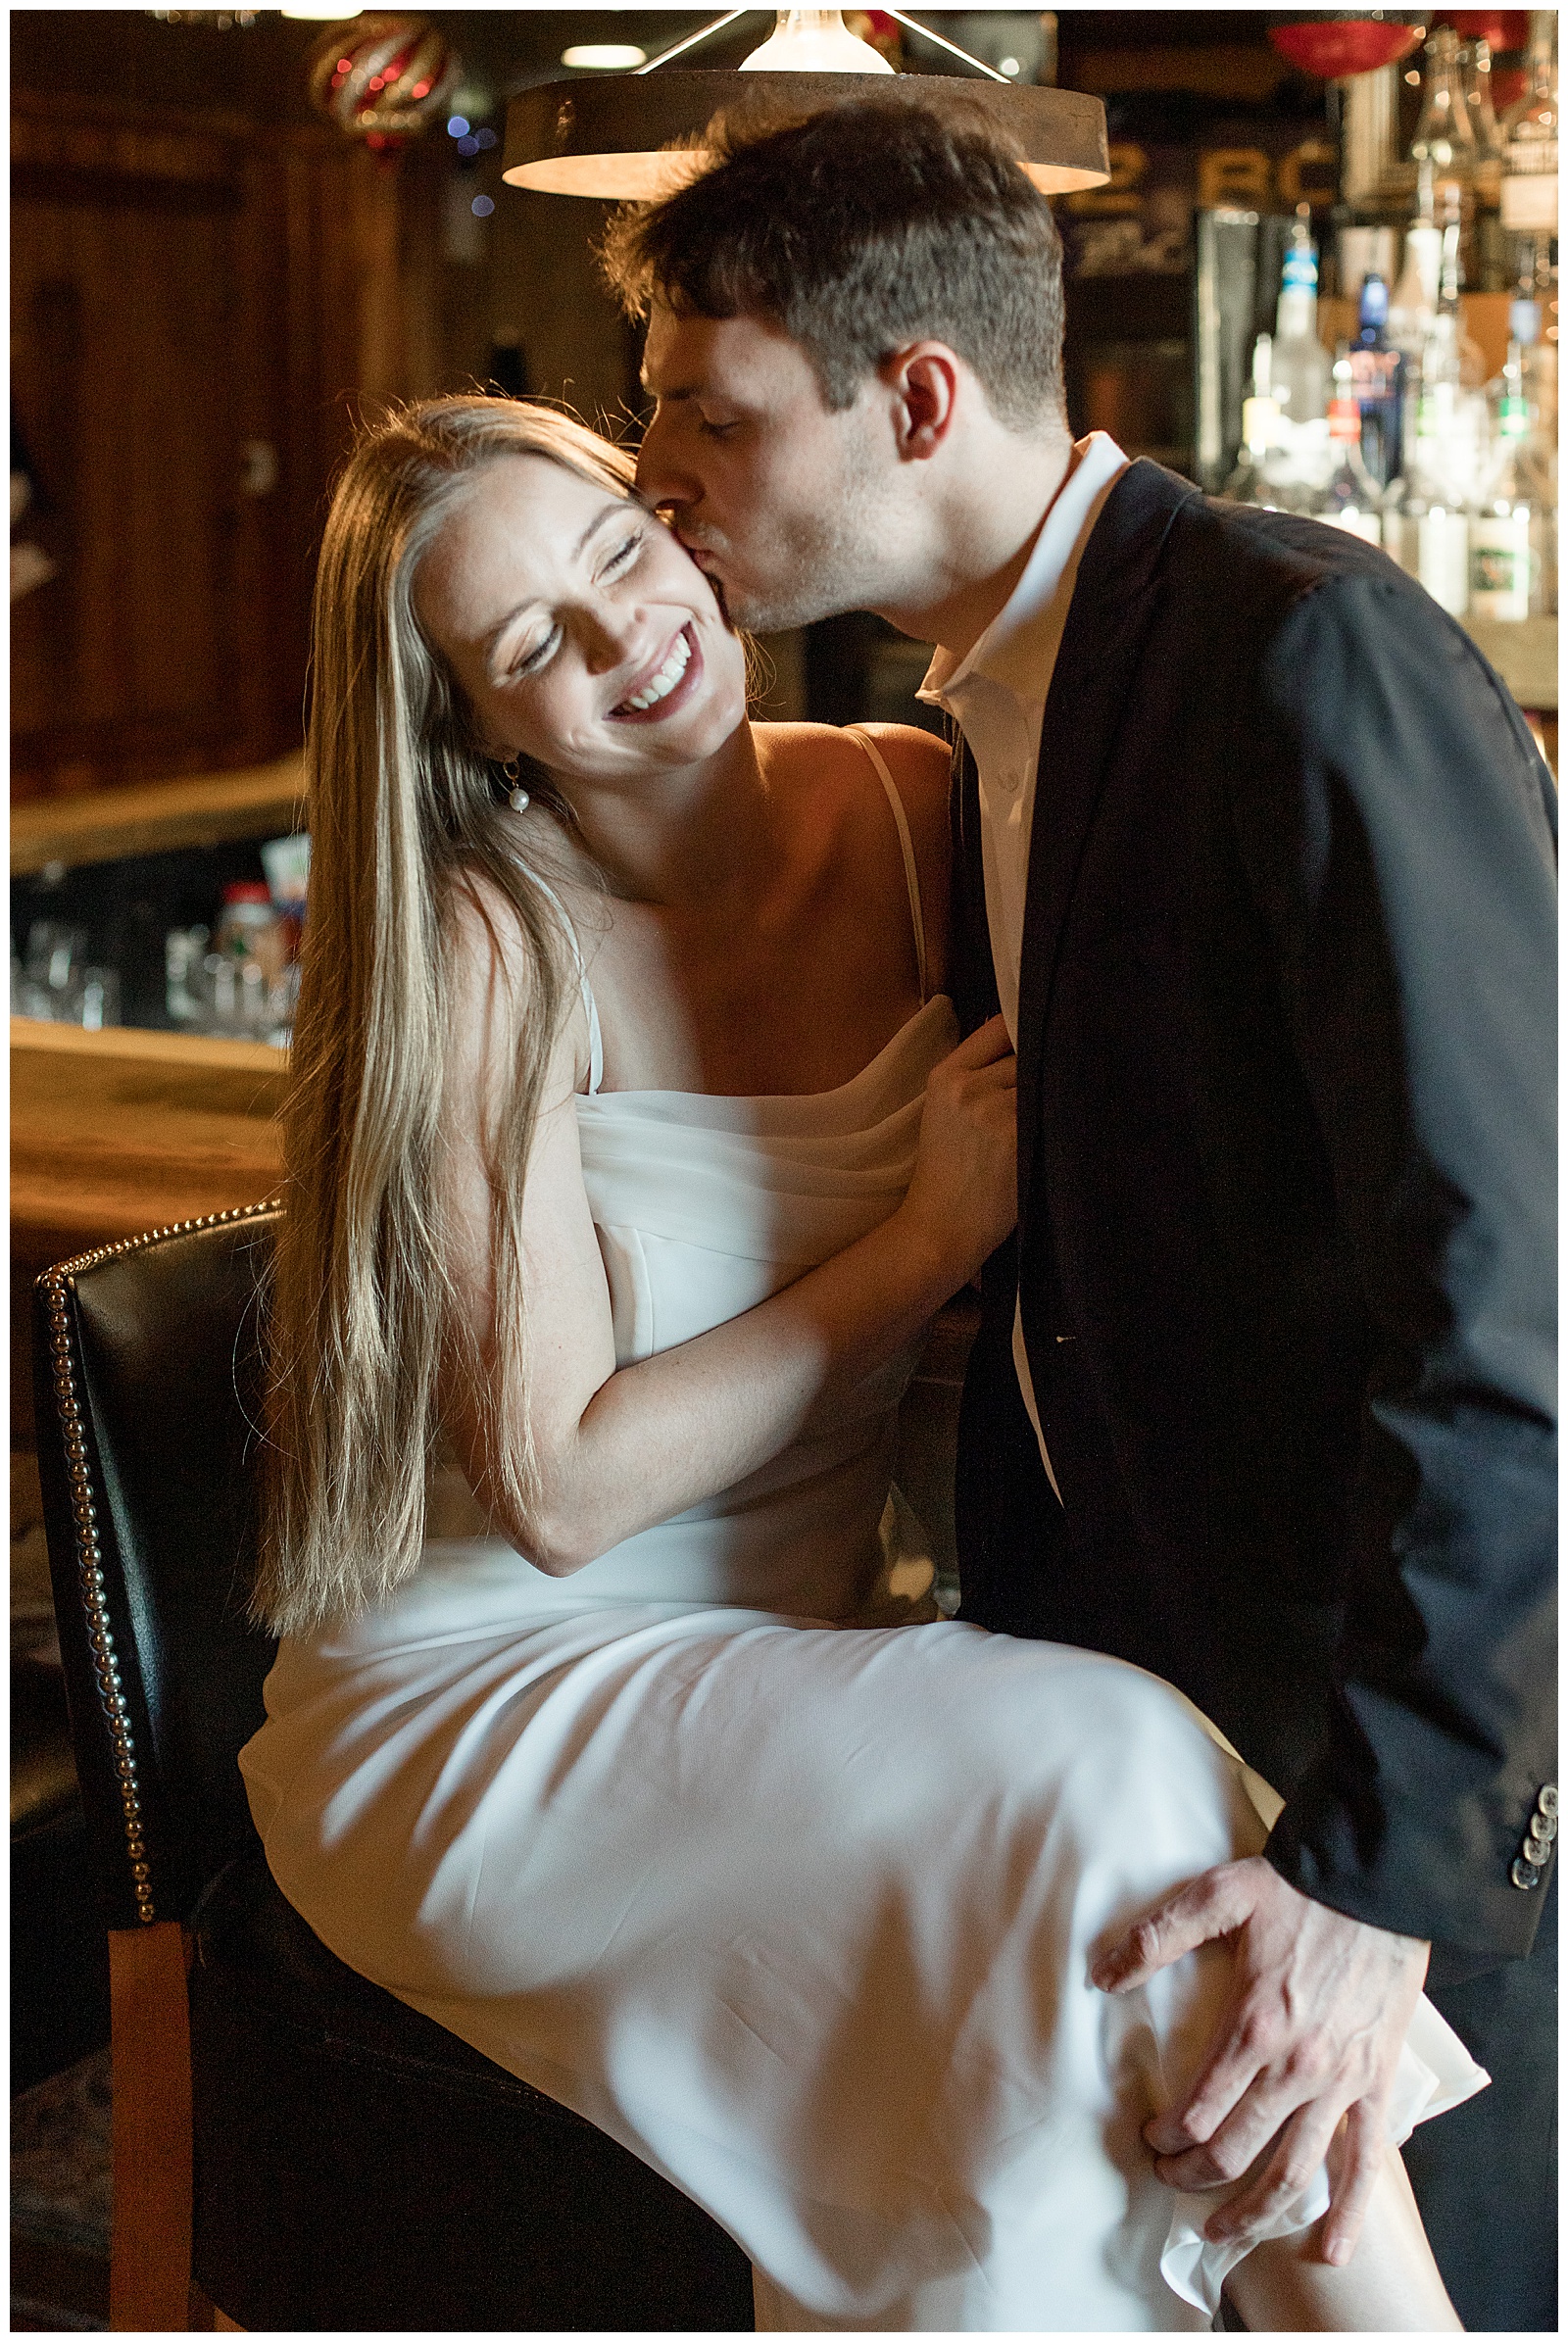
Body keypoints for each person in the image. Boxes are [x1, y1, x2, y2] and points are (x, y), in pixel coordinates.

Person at [240, 393, 1476, 2333]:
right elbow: (558, 1487)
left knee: (1123, 1819)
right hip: (490, 1699)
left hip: (788, 1652)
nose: (626, 634)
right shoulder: (487, 944)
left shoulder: (914, 808)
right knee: (1099, 1770)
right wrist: (920, 1243)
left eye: (618, 551)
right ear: (472, 732)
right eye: (532, 643)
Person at [617, 93, 1558, 2332]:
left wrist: (1378, 1873)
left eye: (709, 413)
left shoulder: (1301, 651)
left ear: (913, 397)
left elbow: (1517, 1288)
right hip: (1130, 1748)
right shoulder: (965, 734)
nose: (654, 470)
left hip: (1378, 1776)